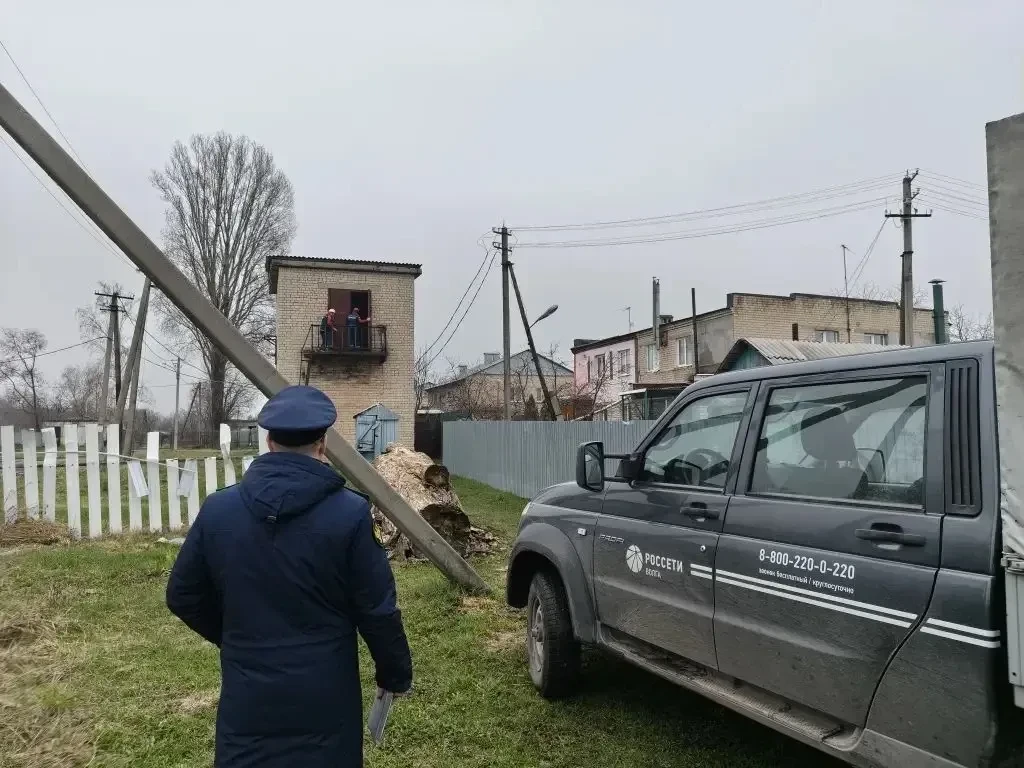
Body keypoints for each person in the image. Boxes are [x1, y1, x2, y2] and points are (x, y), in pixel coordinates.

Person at [165, 385, 413, 768]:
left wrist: (234, 635)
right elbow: (377, 610)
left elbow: (183, 595)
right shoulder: (349, 515)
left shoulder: (218, 511)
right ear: (322, 444)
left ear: (268, 441)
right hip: (325, 696)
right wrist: (394, 674)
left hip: (248, 698)